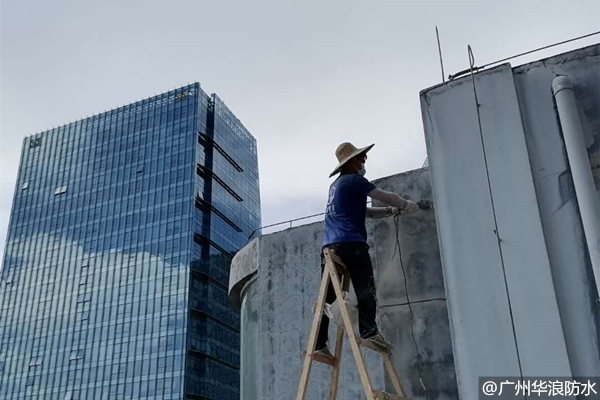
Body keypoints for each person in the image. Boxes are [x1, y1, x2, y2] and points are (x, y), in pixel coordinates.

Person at [315, 142, 420, 358]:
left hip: (330, 247)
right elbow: (385, 195)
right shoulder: (355, 180)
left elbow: (366, 212)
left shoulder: (337, 186)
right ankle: (369, 331)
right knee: (365, 287)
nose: (364, 161)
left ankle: (318, 344)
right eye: (361, 158)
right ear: (351, 161)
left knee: (327, 298)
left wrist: (390, 212)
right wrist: (406, 205)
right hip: (351, 244)